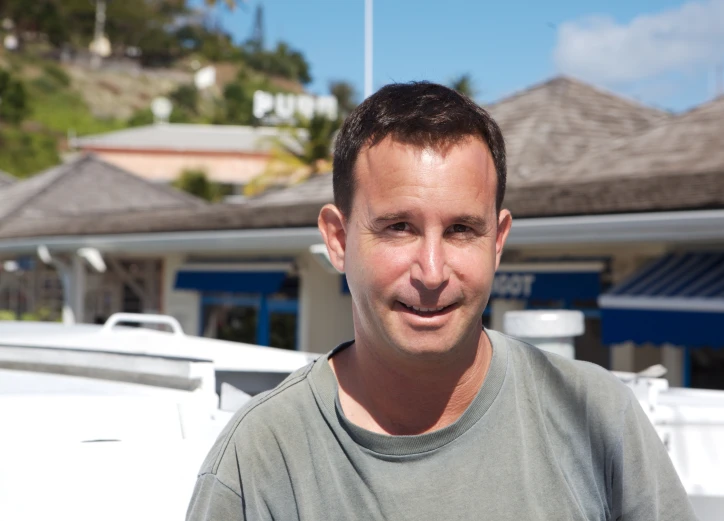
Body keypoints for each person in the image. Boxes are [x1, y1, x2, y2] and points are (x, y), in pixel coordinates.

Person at [186, 82, 697, 520]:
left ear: (497, 242)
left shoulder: (597, 417)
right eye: (399, 227)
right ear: (338, 241)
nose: (432, 272)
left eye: (460, 230)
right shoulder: (261, 456)